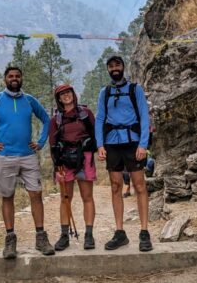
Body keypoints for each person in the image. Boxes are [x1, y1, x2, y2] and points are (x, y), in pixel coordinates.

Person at [0, 66, 55, 259]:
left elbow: (47, 119)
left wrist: (40, 142)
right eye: (10, 76)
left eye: (17, 76)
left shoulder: (29, 100)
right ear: (5, 79)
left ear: (22, 78)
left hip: (28, 156)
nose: (14, 78)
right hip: (3, 156)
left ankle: (41, 238)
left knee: (36, 195)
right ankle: (10, 240)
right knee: (8, 197)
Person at [95, 55, 153, 252]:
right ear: (108, 70)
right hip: (112, 143)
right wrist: (100, 144)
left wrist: (143, 145)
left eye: (117, 65)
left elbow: (144, 116)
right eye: (111, 66)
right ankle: (120, 233)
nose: (114, 68)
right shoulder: (105, 92)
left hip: (133, 142)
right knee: (115, 186)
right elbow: (100, 119)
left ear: (123, 67)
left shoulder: (135, 89)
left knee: (139, 185)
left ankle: (144, 232)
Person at [49, 84, 97, 251]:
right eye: (62, 94)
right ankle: (64, 236)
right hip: (64, 161)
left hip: (84, 158)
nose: (66, 96)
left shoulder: (85, 114)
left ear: (73, 94)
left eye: (68, 92)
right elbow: (53, 144)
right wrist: (57, 164)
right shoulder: (56, 119)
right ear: (59, 99)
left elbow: (94, 133)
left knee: (87, 197)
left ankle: (89, 235)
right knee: (65, 199)